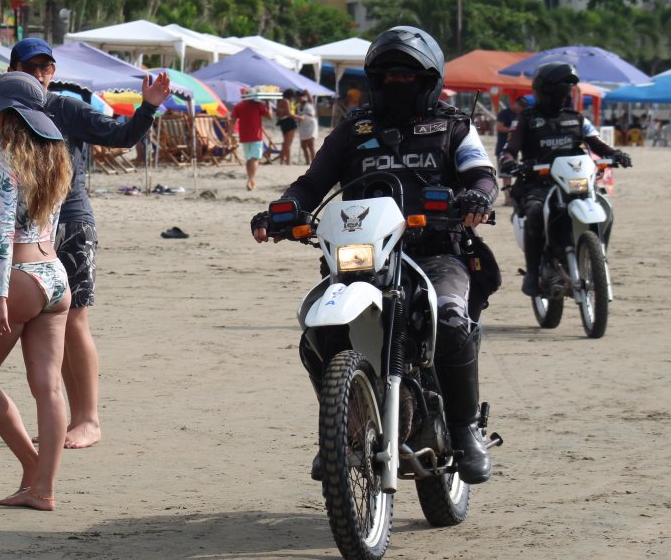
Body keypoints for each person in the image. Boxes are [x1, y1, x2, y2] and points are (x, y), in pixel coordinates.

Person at [0, 38, 171, 449]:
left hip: (70, 224)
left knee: (74, 320)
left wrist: (147, 107)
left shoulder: (66, 108)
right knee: (48, 336)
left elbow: (123, 136)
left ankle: (88, 420)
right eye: (33, 66)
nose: (41, 73)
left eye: (47, 66)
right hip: (33, 233)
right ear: (15, 69)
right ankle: (62, 424)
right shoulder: (6, 117)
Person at [250, 26, 498, 485]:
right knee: (318, 331)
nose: (396, 82)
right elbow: (311, 183)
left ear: (429, 80)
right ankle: (342, 432)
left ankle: (465, 430)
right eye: (387, 75)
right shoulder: (352, 129)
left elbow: (481, 173)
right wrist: (282, 211)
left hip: (435, 252)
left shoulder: (455, 126)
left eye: (407, 75)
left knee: (450, 319)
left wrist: (478, 197)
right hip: (360, 256)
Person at [0, 72, 73, 510]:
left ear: (11, 116)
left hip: (20, 276)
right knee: (49, 388)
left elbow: (4, 233)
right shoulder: (57, 156)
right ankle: (43, 487)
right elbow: (50, 222)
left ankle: (31, 464)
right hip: (54, 273)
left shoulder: (4, 159)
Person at [498, 62, 631, 297]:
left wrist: (616, 154)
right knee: (535, 212)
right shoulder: (527, 119)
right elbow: (511, 149)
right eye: (559, 93)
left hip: (574, 181)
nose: (563, 98)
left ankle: (597, 256)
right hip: (538, 183)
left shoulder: (577, 119)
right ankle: (532, 273)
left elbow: (598, 145)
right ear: (544, 91)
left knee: (605, 207)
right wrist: (508, 161)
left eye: (566, 93)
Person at [228, 90, 274, 190]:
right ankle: (250, 180)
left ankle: (251, 181)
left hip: (244, 136)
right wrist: (268, 102)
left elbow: (232, 121)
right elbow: (270, 117)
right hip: (256, 136)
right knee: (255, 158)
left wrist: (228, 135)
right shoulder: (258, 105)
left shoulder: (239, 106)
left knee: (249, 159)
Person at [494, 95, 525, 205]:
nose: (521, 108)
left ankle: (511, 197)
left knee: (513, 174)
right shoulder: (504, 113)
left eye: (523, 106)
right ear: (515, 103)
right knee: (506, 175)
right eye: (520, 105)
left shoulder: (521, 114)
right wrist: (511, 129)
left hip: (514, 149)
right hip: (503, 148)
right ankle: (508, 199)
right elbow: (499, 127)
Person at [275, 91, 298, 165]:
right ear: (291, 96)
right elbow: (289, 114)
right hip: (289, 122)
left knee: (285, 143)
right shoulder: (286, 101)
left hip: (283, 122)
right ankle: (287, 161)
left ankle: (282, 160)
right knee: (288, 143)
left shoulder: (280, 102)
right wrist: (300, 118)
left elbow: (278, 114)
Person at [296, 90, 318, 164]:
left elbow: (310, 97)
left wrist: (306, 90)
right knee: (303, 145)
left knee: (310, 145)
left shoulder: (309, 103)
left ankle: (314, 163)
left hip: (311, 125)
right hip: (303, 125)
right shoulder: (298, 106)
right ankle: (307, 162)